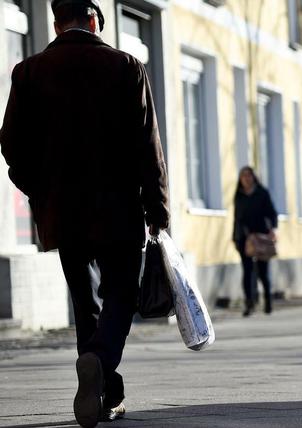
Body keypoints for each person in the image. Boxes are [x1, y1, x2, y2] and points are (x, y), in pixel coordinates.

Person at [0, 1, 169, 426]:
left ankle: (105, 395)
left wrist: (40, 191)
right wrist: (158, 210)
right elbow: (148, 148)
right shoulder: (126, 66)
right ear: (95, 21)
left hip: (63, 214)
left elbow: (11, 147)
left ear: (57, 24)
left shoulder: (29, 72)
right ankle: (98, 359)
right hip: (119, 210)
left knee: (85, 302)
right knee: (121, 295)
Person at [232, 166, 278, 317]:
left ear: (253, 177)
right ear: (240, 179)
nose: (246, 178)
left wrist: (272, 229)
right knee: (247, 272)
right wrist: (235, 237)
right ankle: (249, 304)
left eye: (249, 175)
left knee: (263, 272)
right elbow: (236, 218)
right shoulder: (238, 195)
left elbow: (272, 213)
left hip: (261, 238)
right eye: (243, 176)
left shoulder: (262, 193)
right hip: (244, 239)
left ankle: (268, 301)